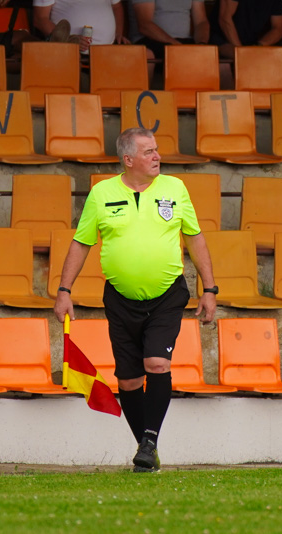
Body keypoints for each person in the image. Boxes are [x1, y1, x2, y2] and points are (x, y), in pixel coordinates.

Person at [53, 127, 217, 473]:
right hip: (120, 300)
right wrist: (64, 291)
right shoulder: (101, 193)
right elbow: (81, 243)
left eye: (157, 150)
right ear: (128, 160)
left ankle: (149, 442)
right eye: (149, 152)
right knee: (128, 381)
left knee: (157, 363)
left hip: (167, 295)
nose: (157, 156)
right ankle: (148, 448)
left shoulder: (175, 188)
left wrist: (209, 289)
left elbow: (195, 238)